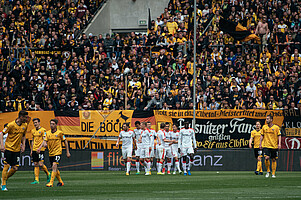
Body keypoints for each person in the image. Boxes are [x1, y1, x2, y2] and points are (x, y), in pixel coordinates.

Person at [1, 110, 29, 191]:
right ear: (21, 117)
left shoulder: (25, 125)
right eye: (25, 117)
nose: (26, 119)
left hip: (17, 150)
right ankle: (3, 185)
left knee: (15, 168)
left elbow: (24, 135)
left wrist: (23, 145)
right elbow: (1, 133)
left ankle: (4, 179)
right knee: (7, 165)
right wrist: (2, 146)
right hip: (9, 148)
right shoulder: (11, 125)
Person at [38, 119, 71, 187]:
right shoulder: (47, 133)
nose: (51, 125)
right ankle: (60, 182)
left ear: (56, 125)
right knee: (55, 168)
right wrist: (43, 145)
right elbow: (44, 141)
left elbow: (65, 141)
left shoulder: (60, 133)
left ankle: (51, 182)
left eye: (53, 124)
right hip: (51, 153)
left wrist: (67, 152)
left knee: (54, 166)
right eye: (50, 124)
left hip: (58, 152)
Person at [30, 118, 51, 184]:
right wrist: (31, 150)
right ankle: (36, 180)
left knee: (41, 164)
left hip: (41, 149)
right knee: (35, 164)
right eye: (34, 123)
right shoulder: (33, 131)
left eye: (36, 122)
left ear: (39, 123)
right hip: (34, 149)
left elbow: (44, 140)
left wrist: (39, 148)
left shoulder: (43, 130)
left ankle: (48, 174)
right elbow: (33, 140)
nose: (35, 124)